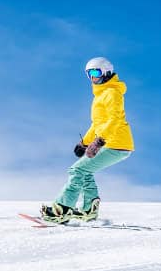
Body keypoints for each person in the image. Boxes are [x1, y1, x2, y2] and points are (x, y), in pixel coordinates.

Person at [40, 57, 134, 223]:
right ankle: (89, 209)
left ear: (106, 72)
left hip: (117, 144)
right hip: (112, 143)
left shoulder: (112, 93)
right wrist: (84, 142)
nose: (92, 77)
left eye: (96, 72)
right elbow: (97, 124)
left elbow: (115, 120)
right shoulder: (101, 95)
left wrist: (99, 141)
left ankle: (62, 209)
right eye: (89, 73)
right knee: (85, 171)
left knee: (77, 170)